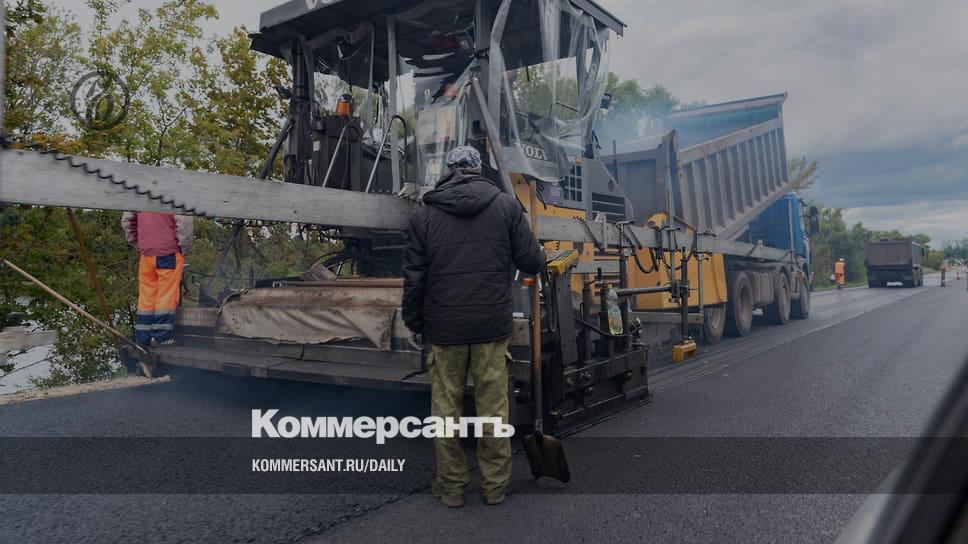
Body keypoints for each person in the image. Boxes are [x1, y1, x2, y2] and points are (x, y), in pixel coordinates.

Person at [402, 145, 544, 509]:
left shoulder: (424, 216)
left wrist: (414, 321)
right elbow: (531, 261)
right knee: (493, 409)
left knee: (445, 411)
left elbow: (414, 277)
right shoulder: (506, 206)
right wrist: (537, 251)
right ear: (479, 169)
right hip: (491, 326)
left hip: (444, 328)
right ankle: (495, 487)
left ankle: (451, 488)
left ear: (449, 171)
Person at [122, 211, 193, 347]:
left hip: (146, 254)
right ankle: (161, 337)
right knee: (166, 295)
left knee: (146, 296)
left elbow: (127, 222)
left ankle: (143, 338)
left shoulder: (138, 197)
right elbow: (184, 222)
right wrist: (183, 247)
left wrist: (138, 243)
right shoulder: (175, 197)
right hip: (169, 252)